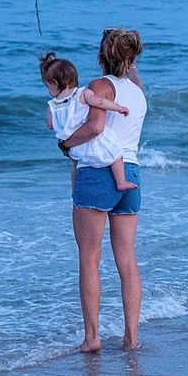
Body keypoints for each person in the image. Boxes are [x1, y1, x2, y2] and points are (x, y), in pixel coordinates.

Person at [59, 28, 146, 352]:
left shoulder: (100, 86)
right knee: (126, 258)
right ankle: (131, 336)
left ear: (100, 57)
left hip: (97, 173)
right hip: (132, 171)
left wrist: (65, 144)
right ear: (132, 58)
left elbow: (95, 126)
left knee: (89, 259)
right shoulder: (137, 90)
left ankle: (92, 337)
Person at [41, 52, 137, 191]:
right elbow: (99, 102)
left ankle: (75, 190)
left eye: (47, 86)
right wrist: (118, 108)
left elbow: (50, 125)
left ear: (55, 83)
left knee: (76, 167)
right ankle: (121, 181)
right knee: (116, 153)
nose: (48, 90)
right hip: (91, 141)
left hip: (73, 147)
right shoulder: (82, 93)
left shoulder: (52, 105)